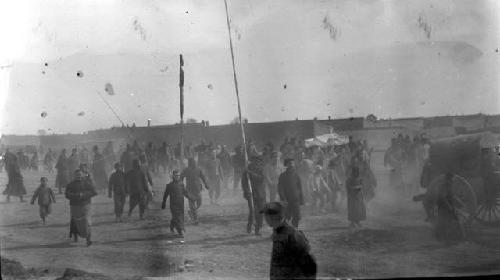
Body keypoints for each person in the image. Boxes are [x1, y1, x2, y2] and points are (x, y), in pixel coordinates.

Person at [261, 201, 317, 280]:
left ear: (271, 217)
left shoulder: (291, 235)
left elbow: (310, 264)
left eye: (266, 215)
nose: (264, 218)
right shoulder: (279, 233)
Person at [65, 169, 97, 246]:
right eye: (77, 175)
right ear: (74, 176)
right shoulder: (70, 184)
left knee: (87, 222)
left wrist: (84, 195)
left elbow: (94, 192)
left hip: (86, 206)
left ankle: (88, 240)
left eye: (80, 174)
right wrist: (75, 196)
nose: (78, 176)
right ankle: (75, 236)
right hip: (74, 206)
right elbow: (67, 194)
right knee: (75, 222)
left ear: (82, 175)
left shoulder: (87, 183)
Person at [161, 170, 193, 238]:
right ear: (173, 176)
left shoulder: (181, 184)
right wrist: (163, 203)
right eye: (176, 175)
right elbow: (165, 195)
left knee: (179, 217)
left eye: (178, 175)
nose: (177, 177)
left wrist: (191, 198)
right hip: (173, 205)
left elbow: (186, 193)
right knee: (177, 217)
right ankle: (180, 232)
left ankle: (172, 225)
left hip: (180, 204)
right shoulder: (169, 186)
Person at [434, 173, 464, 242]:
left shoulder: (449, 185)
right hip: (443, 206)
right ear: (448, 179)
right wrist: (449, 206)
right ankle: (460, 237)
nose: (453, 180)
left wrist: (459, 202)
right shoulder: (445, 186)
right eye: (452, 179)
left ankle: (459, 237)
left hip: (446, 206)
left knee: (444, 222)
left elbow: (451, 196)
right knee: (444, 221)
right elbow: (443, 197)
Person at [242, 155, 267, 235]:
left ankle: (258, 229)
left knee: (261, 213)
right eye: (255, 161)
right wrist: (246, 192)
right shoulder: (246, 170)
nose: (256, 162)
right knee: (252, 212)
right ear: (252, 161)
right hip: (251, 194)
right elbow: (244, 183)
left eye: (258, 161)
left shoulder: (261, 169)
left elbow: (261, 178)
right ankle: (249, 227)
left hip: (261, 195)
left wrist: (251, 173)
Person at [180, 158, 209, 225]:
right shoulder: (186, 170)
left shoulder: (199, 169)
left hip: (198, 189)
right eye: (193, 162)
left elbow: (203, 177)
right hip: (189, 190)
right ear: (190, 163)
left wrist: (206, 185)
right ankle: (196, 219)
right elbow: (181, 177)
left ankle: (191, 212)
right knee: (192, 205)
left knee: (199, 203)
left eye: (195, 162)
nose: (194, 163)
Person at [278, 158, 304, 228]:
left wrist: (301, 200)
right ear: (286, 165)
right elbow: (280, 188)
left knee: (297, 217)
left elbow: (299, 188)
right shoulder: (282, 176)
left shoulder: (296, 175)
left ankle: (294, 229)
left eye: (292, 163)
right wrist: (283, 199)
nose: (292, 165)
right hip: (287, 200)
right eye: (290, 163)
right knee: (287, 217)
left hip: (296, 200)